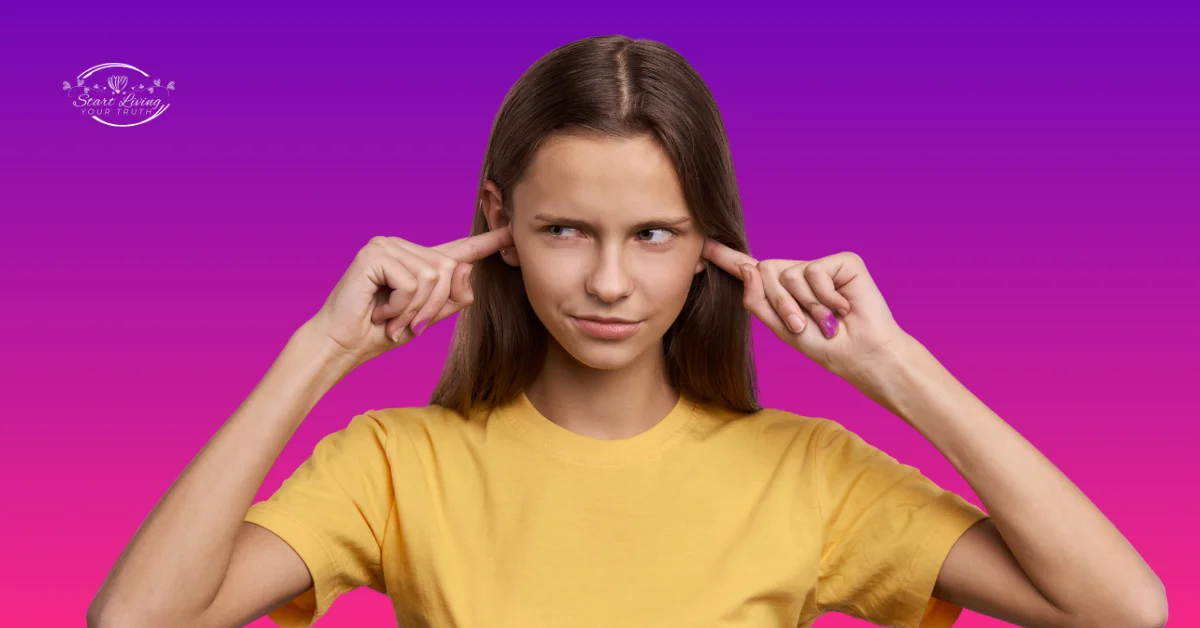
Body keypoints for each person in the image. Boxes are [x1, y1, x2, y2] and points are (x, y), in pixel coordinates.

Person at [88, 35, 1167, 628]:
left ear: (709, 243)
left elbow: (1120, 608)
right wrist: (319, 351)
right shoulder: (394, 464)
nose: (609, 282)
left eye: (654, 232)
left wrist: (894, 365)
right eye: (565, 228)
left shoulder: (809, 473)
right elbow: (134, 622)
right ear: (501, 224)